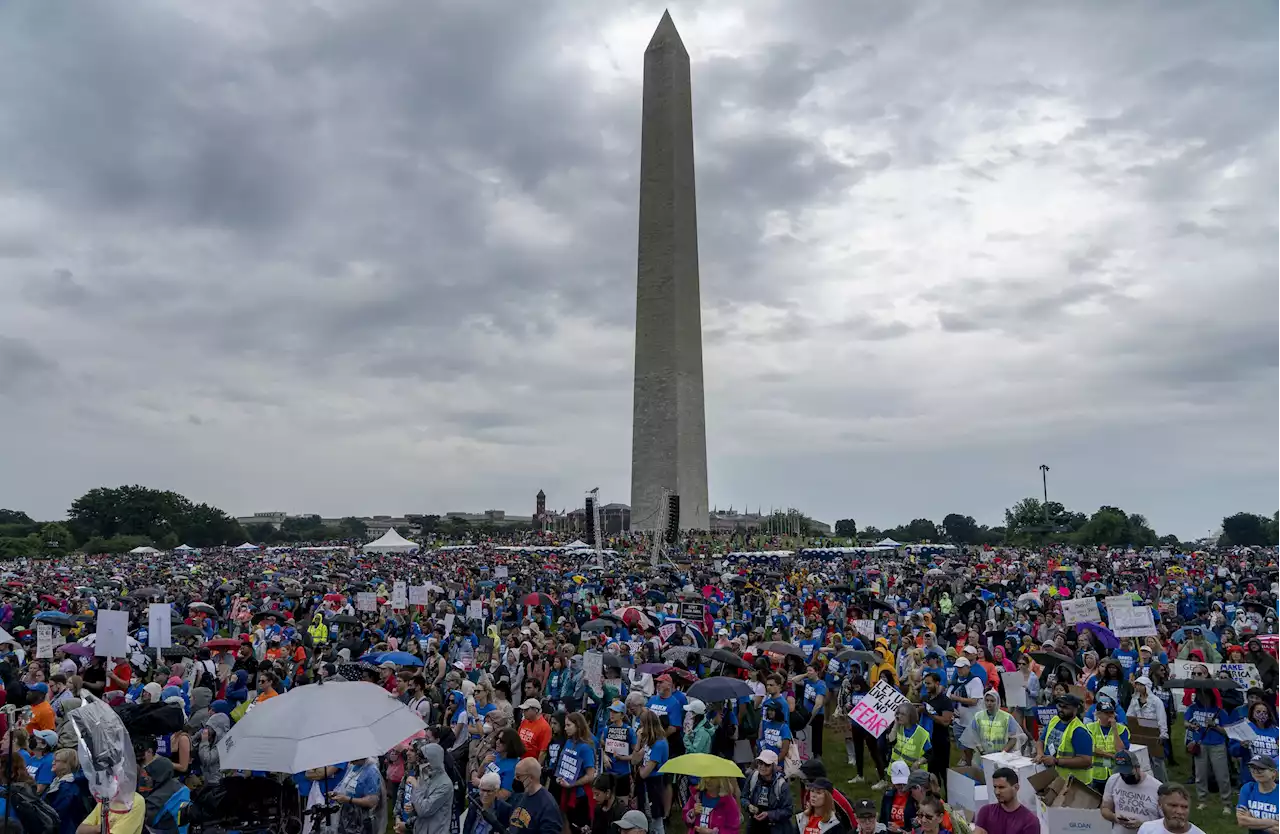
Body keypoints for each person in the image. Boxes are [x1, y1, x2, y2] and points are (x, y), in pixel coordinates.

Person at [1034, 694, 1093, 783]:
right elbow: (1041, 741)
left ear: (1075, 709)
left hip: (1074, 783)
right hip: (1053, 776)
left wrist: (1056, 761)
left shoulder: (1079, 731)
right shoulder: (1054, 720)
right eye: (1060, 706)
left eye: (1066, 707)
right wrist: (1040, 754)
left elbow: (1086, 761)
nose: (1061, 710)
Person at [1101, 751, 1161, 834]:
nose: (1125, 776)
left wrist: (1143, 825)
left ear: (1137, 767)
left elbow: (1166, 821)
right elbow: (1105, 809)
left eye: (1128, 773)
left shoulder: (1157, 787)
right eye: (1122, 773)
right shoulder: (1113, 780)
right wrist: (1115, 818)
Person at [741, 750, 793, 834]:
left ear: (774, 766)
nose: (762, 766)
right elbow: (743, 797)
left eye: (767, 764)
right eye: (760, 763)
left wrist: (768, 814)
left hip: (774, 827)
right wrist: (748, 805)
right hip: (754, 826)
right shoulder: (753, 777)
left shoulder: (782, 785)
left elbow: (788, 811)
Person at [507, 757, 563, 834]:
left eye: (518, 776)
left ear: (530, 777)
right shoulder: (520, 797)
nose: (515, 779)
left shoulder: (547, 806)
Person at [972, 767, 1037, 834]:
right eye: (995, 787)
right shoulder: (986, 812)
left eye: (1001, 787)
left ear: (1016, 787)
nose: (997, 792)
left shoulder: (1029, 821)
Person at [407, 743, 454, 834]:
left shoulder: (445, 784)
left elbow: (424, 810)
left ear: (433, 759)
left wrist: (416, 787)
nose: (420, 763)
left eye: (424, 760)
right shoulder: (425, 774)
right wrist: (412, 807)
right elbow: (419, 800)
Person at [1088, 698, 1131, 792]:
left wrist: (1114, 729)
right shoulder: (1090, 728)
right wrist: (1111, 755)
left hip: (1116, 775)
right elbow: (1090, 749)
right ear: (1098, 714)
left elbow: (1121, 751)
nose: (1110, 716)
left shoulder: (1122, 729)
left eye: (1111, 713)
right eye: (1106, 713)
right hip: (1096, 775)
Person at [1134, 784, 1205, 834]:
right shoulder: (1147, 829)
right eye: (1173, 805)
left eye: (1184, 807)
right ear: (1160, 805)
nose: (1179, 812)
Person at [1236, 754, 1280, 830]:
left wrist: (1251, 819)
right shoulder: (1248, 788)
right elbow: (1242, 821)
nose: (1256, 772)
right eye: (1252, 768)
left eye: (1261, 768)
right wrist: (1273, 823)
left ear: (1274, 772)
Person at [879, 762, 916, 834]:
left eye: (904, 783)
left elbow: (917, 826)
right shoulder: (888, 796)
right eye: (898, 783)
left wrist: (899, 830)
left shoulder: (915, 797)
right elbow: (882, 819)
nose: (902, 786)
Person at [518, 700, 552, 765]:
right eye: (523, 710)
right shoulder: (524, 721)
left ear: (536, 710)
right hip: (519, 759)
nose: (523, 712)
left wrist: (537, 768)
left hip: (531, 763)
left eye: (526, 710)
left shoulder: (545, 727)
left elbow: (543, 752)